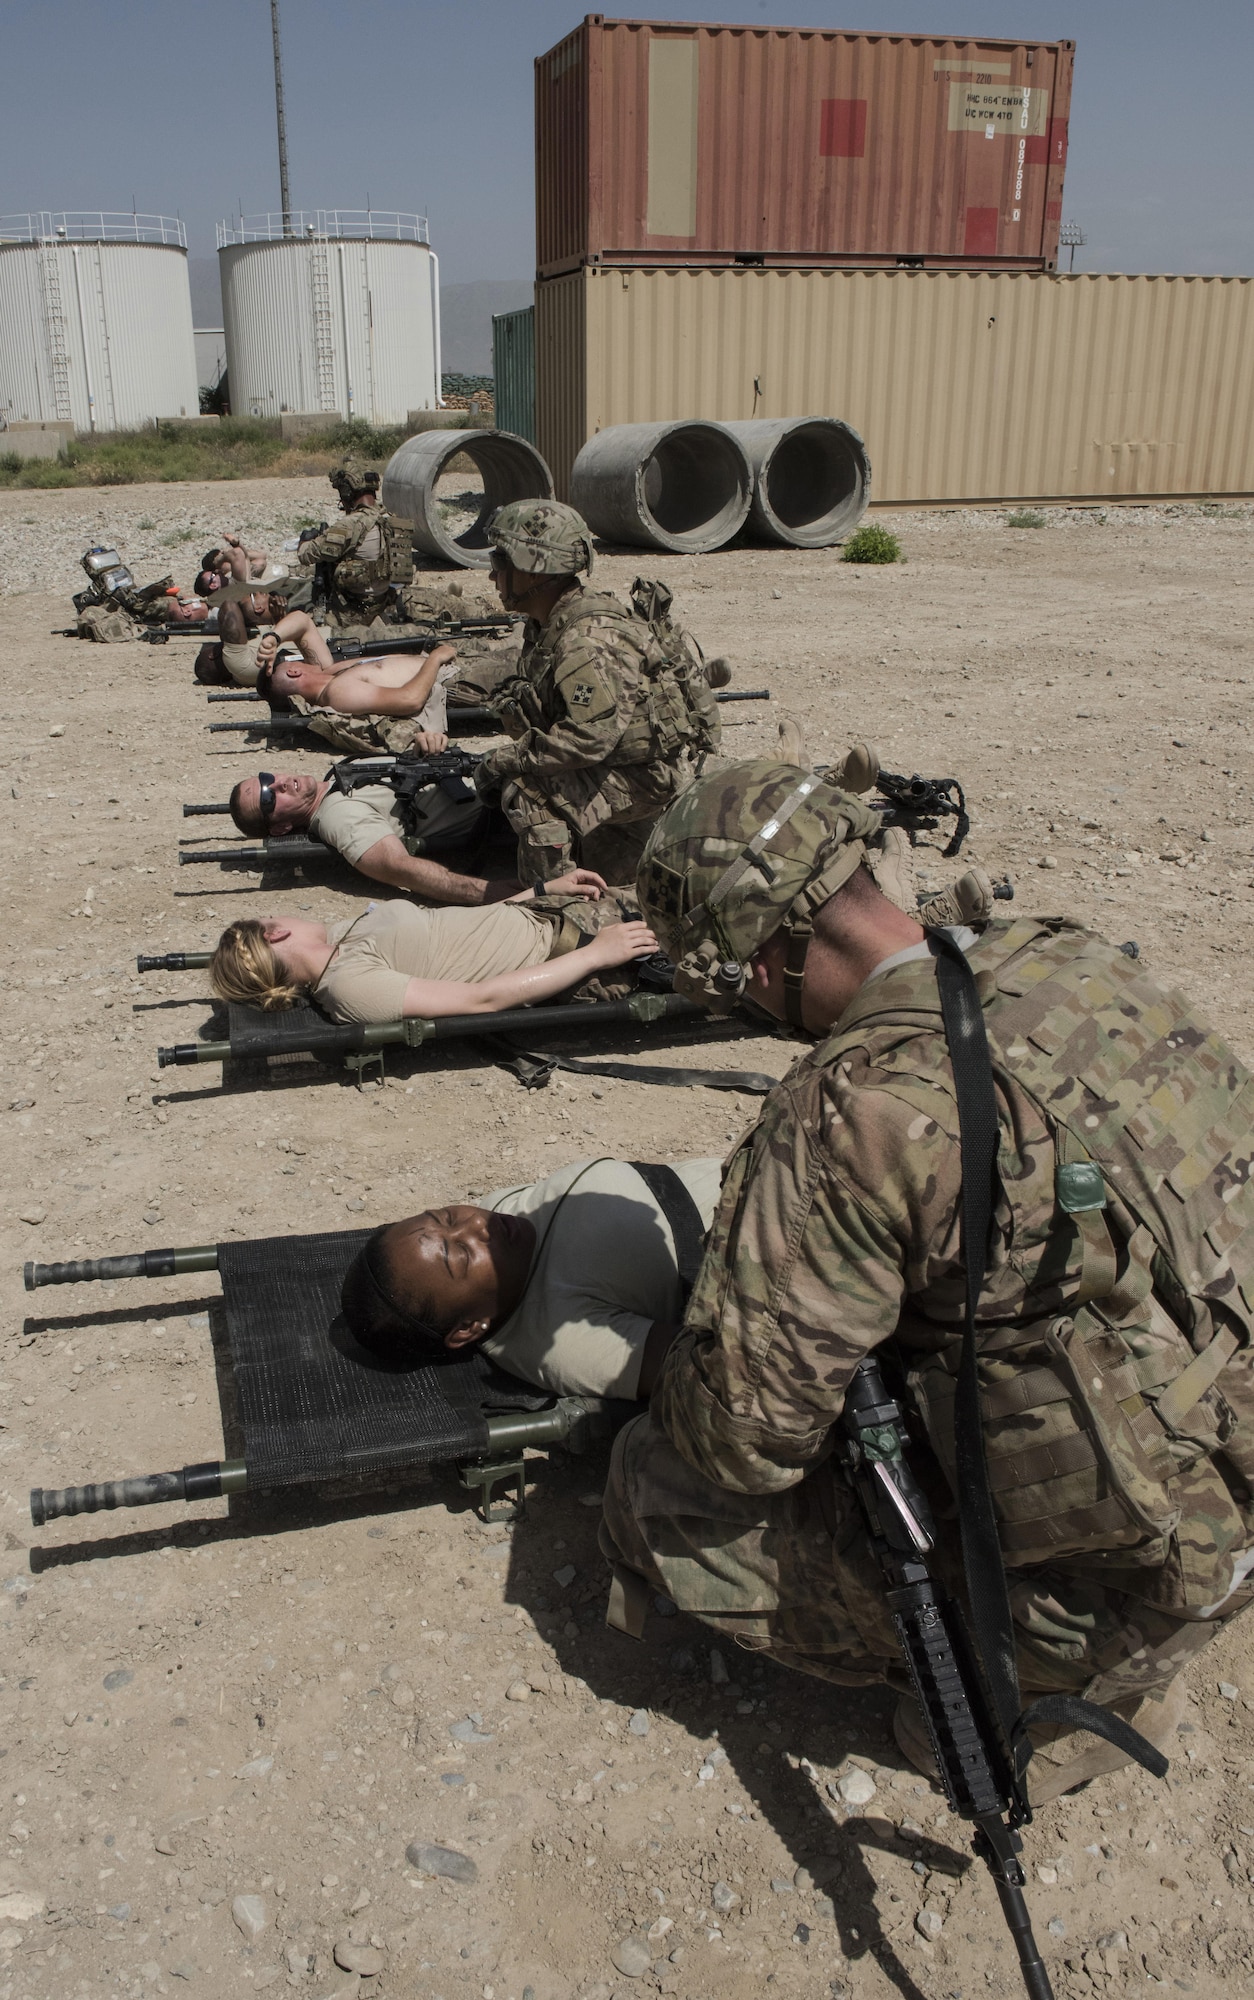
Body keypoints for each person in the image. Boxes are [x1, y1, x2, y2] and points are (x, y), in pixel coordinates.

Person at [598, 757, 1254, 1806]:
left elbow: (745, 1440)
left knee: (652, 1485)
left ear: (767, 959)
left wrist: (696, 1347)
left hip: (1141, 1577)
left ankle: (1066, 1679)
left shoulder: (853, 1106)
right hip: (1230, 1445)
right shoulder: (1081, 960)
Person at [474, 501, 718, 885]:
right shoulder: (552, 621)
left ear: (533, 567)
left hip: (647, 777)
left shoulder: (584, 641)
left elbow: (588, 738)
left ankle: (557, 905)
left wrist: (503, 760)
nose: (493, 575)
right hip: (623, 766)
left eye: (501, 560)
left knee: (525, 787)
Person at [340, 1157, 723, 1399]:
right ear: (469, 1327)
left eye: (446, 1216)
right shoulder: (557, 1343)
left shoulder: (500, 1226)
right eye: (461, 1254)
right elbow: (718, 1369)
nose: (477, 1223)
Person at [209, 899, 658, 1025]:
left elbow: (453, 931)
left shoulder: (345, 937)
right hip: (579, 954)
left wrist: (537, 892)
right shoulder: (350, 987)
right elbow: (482, 999)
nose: (286, 914)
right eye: (274, 916)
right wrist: (596, 954)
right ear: (276, 933)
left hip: (560, 914)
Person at [227, 761, 585, 905]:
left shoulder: (338, 776)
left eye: (264, 780)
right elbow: (401, 868)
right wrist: (511, 893)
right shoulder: (338, 816)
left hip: (497, 774)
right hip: (515, 805)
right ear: (282, 827)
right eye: (268, 799)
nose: (277, 785)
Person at [296, 461, 412, 624]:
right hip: (383, 602)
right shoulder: (393, 520)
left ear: (347, 491)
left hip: (352, 612)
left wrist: (304, 542)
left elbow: (306, 555)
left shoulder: (350, 525)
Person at [260, 639, 458, 733]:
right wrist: (435, 658)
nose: (304, 660)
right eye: (296, 661)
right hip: (454, 680)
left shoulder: (332, 673)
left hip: (449, 664)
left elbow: (301, 621)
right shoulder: (339, 692)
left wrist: (272, 637)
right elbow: (409, 700)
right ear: (294, 671)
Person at [210, 571, 333, 688]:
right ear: (258, 608)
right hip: (335, 646)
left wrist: (279, 620)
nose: (260, 592)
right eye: (253, 595)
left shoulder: (258, 641)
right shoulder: (239, 663)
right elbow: (229, 606)